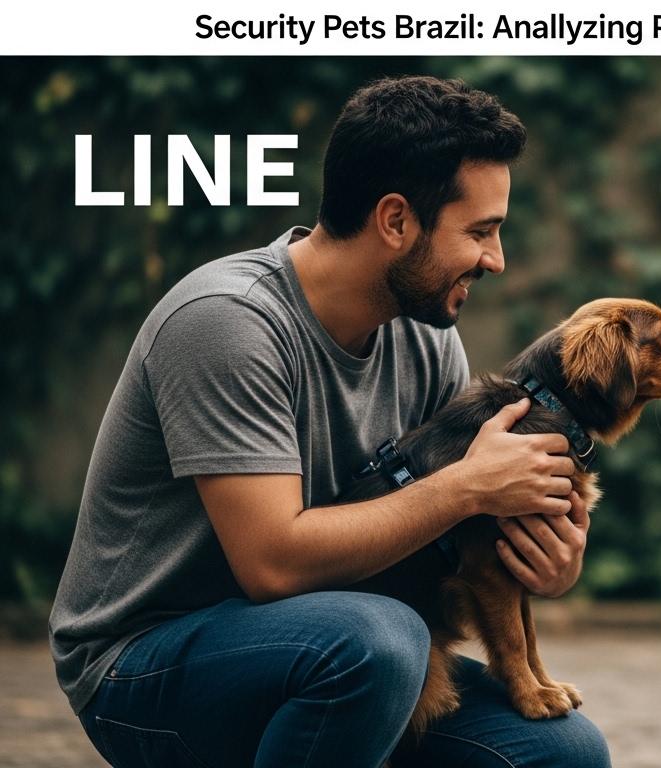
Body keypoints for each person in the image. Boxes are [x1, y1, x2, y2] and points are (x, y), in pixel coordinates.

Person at [49, 76, 611, 768]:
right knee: (375, 641)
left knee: (561, 753)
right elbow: (273, 566)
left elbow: (445, 540)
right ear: (396, 220)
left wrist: (543, 561)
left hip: (341, 645)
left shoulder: (425, 332)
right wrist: (469, 487)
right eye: (481, 232)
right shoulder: (227, 324)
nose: (496, 259)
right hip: (147, 666)